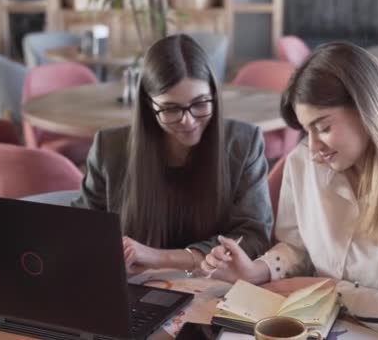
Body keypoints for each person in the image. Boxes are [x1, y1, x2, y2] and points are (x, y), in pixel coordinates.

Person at [201, 42, 378, 340]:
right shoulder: (303, 162)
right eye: (307, 131)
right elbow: (297, 247)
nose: (314, 148)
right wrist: (259, 270)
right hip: (314, 326)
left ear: (368, 109)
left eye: (324, 127)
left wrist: (328, 291)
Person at [74, 34, 272, 275]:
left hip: (214, 288)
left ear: (214, 96)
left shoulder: (244, 143)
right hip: (135, 288)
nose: (188, 120)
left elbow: (255, 235)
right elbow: (81, 228)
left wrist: (159, 257)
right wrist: (111, 252)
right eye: (170, 109)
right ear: (149, 105)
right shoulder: (110, 148)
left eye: (200, 104)